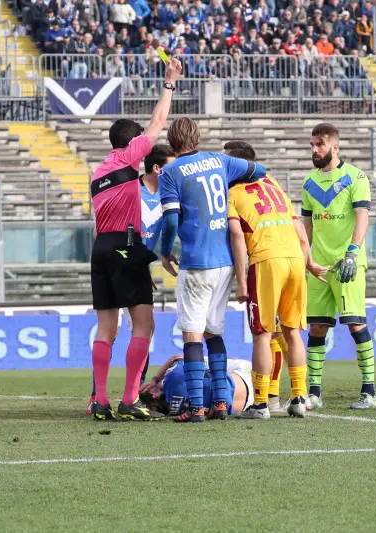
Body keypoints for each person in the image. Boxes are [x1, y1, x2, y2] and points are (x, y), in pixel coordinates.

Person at [88, 57, 182, 422]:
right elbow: (159, 123)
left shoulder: (97, 173)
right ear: (132, 142)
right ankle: (129, 400)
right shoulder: (130, 159)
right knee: (144, 325)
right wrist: (169, 83)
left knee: (106, 328)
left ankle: (99, 400)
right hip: (127, 245)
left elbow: (97, 221)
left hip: (101, 248)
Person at [159, 118, 266, 423]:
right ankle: (220, 402)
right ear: (198, 137)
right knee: (213, 331)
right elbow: (258, 171)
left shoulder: (170, 171)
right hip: (226, 262)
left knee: (192, 335)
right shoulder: (218, 160)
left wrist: (166, 251)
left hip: (196, 260)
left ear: (171, 142)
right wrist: (226, 178)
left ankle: (196, 408)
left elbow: (169, 220)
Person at [226, 140, 328, 419]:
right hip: (294, 258)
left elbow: (236, 235)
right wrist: (308, 261)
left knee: (261, 333)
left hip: (266, 261)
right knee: (292, 331)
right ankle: (298, 397)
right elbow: (298, 227)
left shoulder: (232, 193)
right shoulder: (272, 184)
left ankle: (260, 404)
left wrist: (241, 280)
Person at [86, 144, 176, 416]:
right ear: (158, 168)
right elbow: (99, 229)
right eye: (171, 165)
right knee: (115, 331)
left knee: (144, 330)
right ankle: (98, 396)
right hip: (120, 261)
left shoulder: (167, 196)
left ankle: (130, 394)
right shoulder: (130, 188)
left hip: (137, 267)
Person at [302, 123, 376, 410]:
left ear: (334, 147)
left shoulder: (355, 176)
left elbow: (362, 217)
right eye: (311, 145)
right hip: (319, 267)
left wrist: (352, 253)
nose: (314, 150)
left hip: (348, 264)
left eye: (319, 145)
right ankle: (315, 393)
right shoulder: (308, 182)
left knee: (356, 325)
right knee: (317, 328)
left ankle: (369, 391)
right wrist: (305, 259)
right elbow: (307, 227)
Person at [139, 354, 253, 416]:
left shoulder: (171, 413)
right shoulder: (172, 379)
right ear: (153, 394)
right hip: (243, 376)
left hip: (248, 404)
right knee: (200, 360)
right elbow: (177, 357)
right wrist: (155, 379)